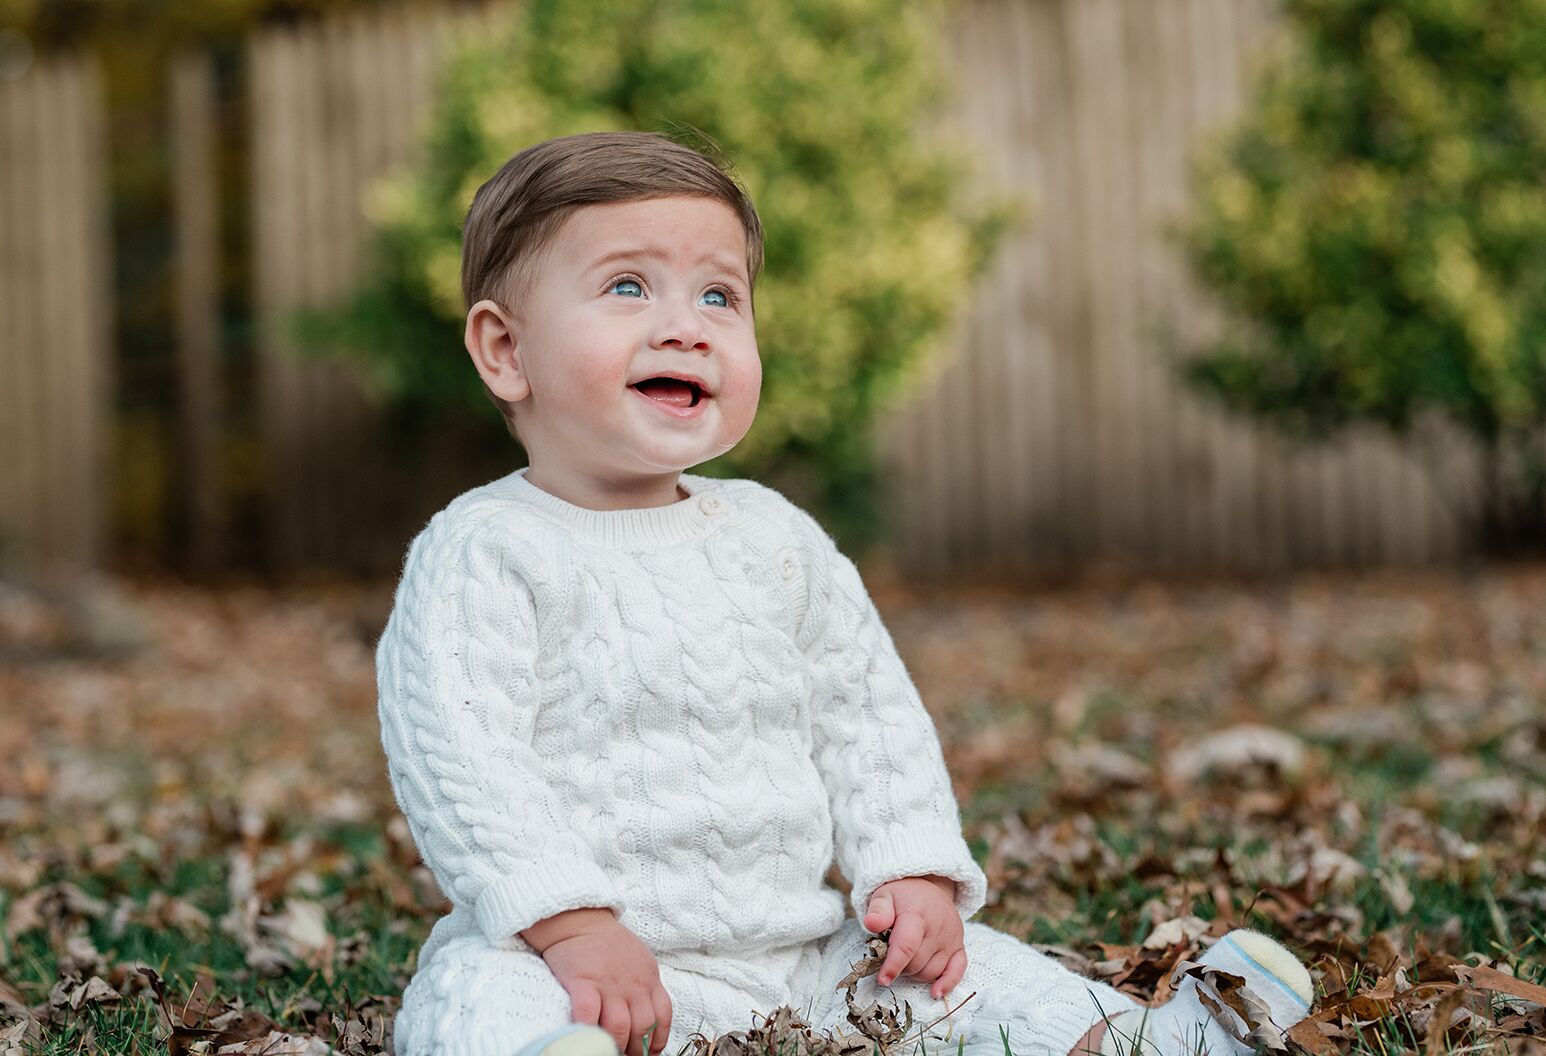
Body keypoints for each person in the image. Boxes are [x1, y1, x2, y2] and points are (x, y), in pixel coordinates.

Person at [376, 130, 1316, 1056]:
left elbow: (866, 713)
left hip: (807, 958)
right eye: (628, 286)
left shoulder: (773, 538)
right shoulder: (484, 549)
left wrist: (909, 867)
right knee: (480, 1001)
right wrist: (571, 924)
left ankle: (1170, 1037)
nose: (685, 324)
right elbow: (464, 761)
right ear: (505, 351)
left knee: (975, 985)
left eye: (720, 294)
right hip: (572, 956)